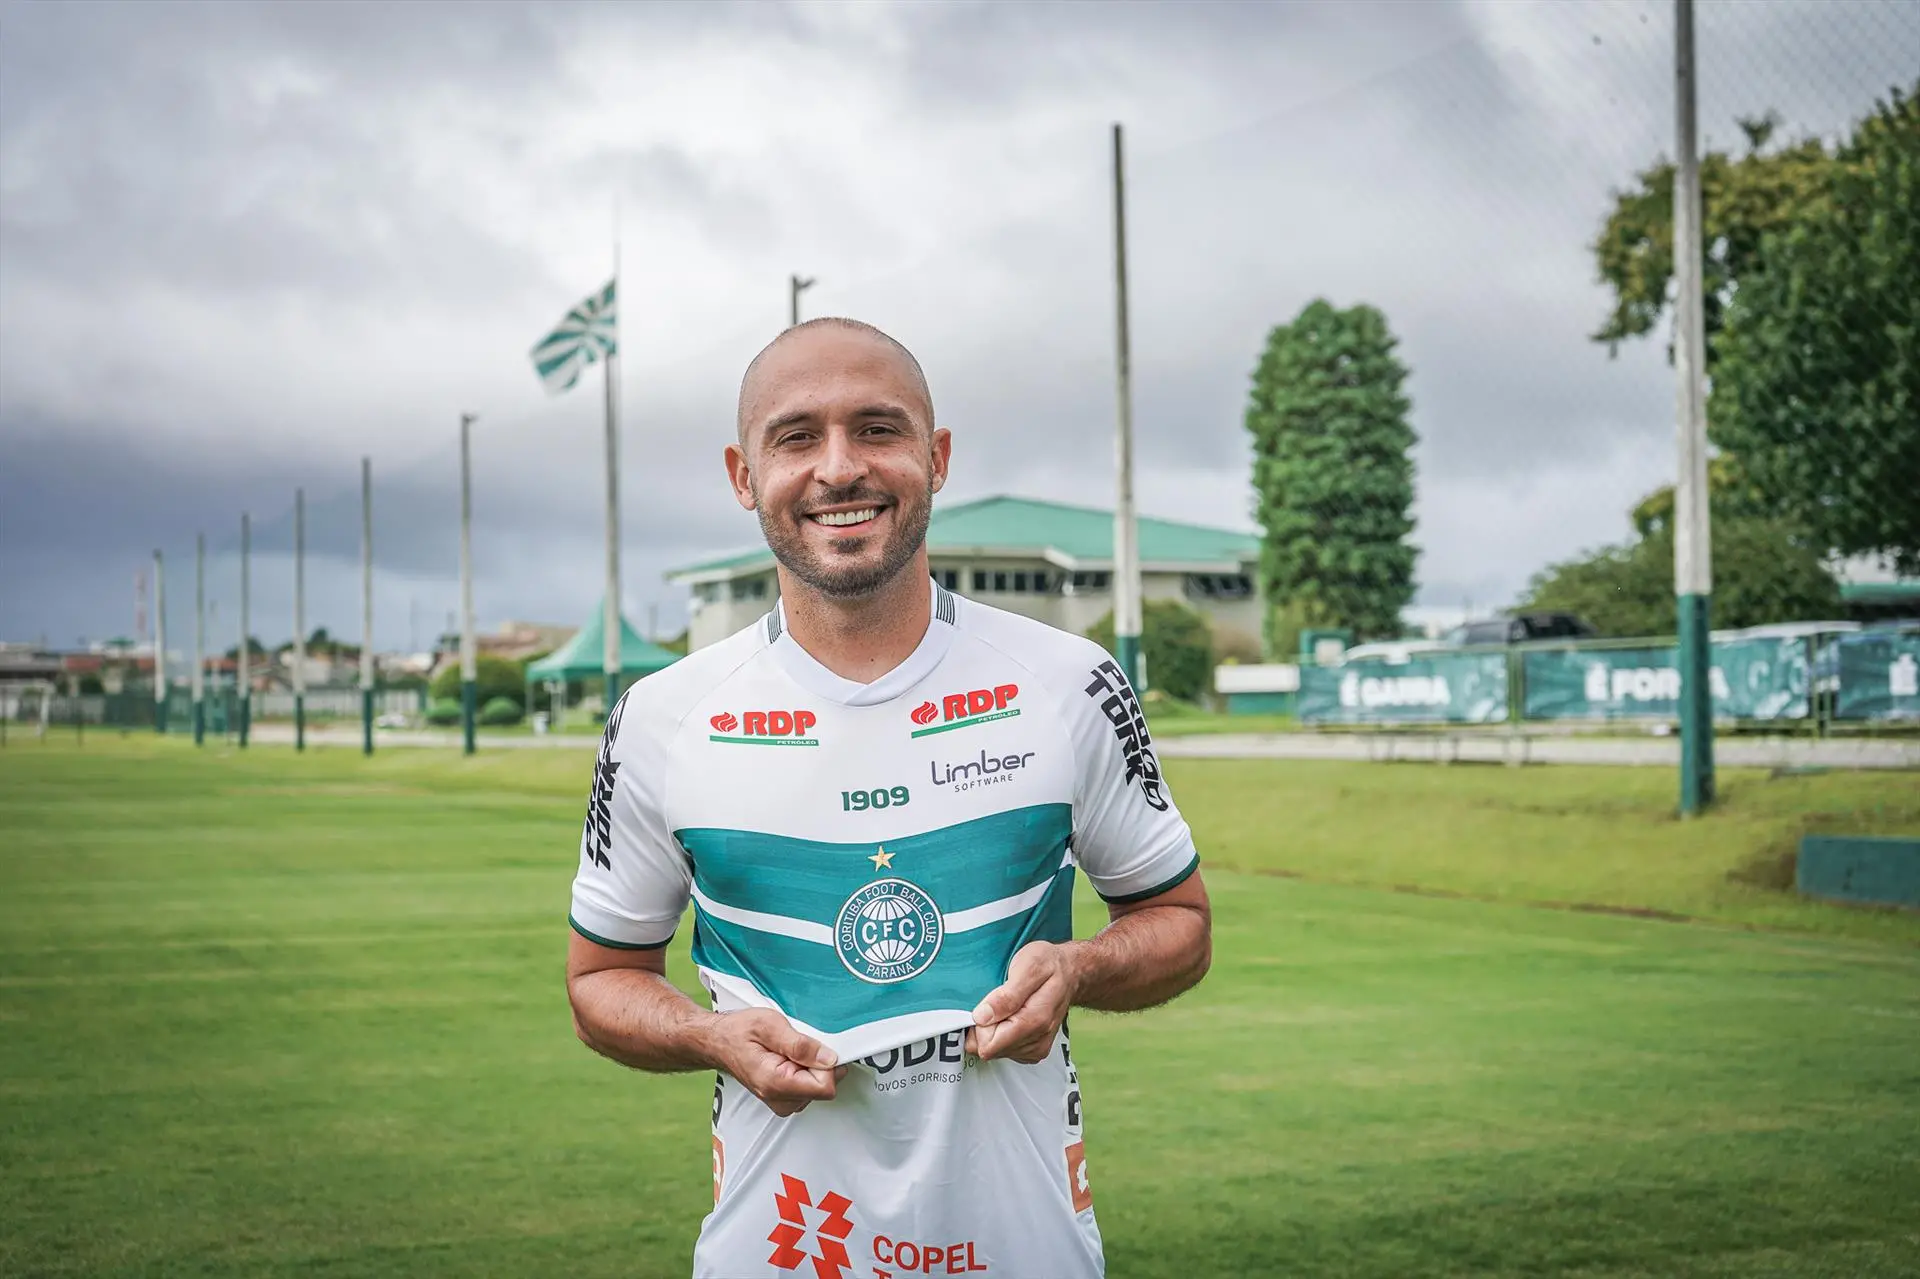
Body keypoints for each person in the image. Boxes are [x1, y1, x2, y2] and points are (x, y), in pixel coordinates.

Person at [566, 317, 1212, 1279]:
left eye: (877, 429)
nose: (839, 469)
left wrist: (1077, 966)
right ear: (744, 476)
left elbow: (1179, 924)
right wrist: (707, 1034)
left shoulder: (1068, 682)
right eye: (797, 437)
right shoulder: (663, 717)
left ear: (935, 456)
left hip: (1027, 1248)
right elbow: (599, 979)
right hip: (777, 1250)